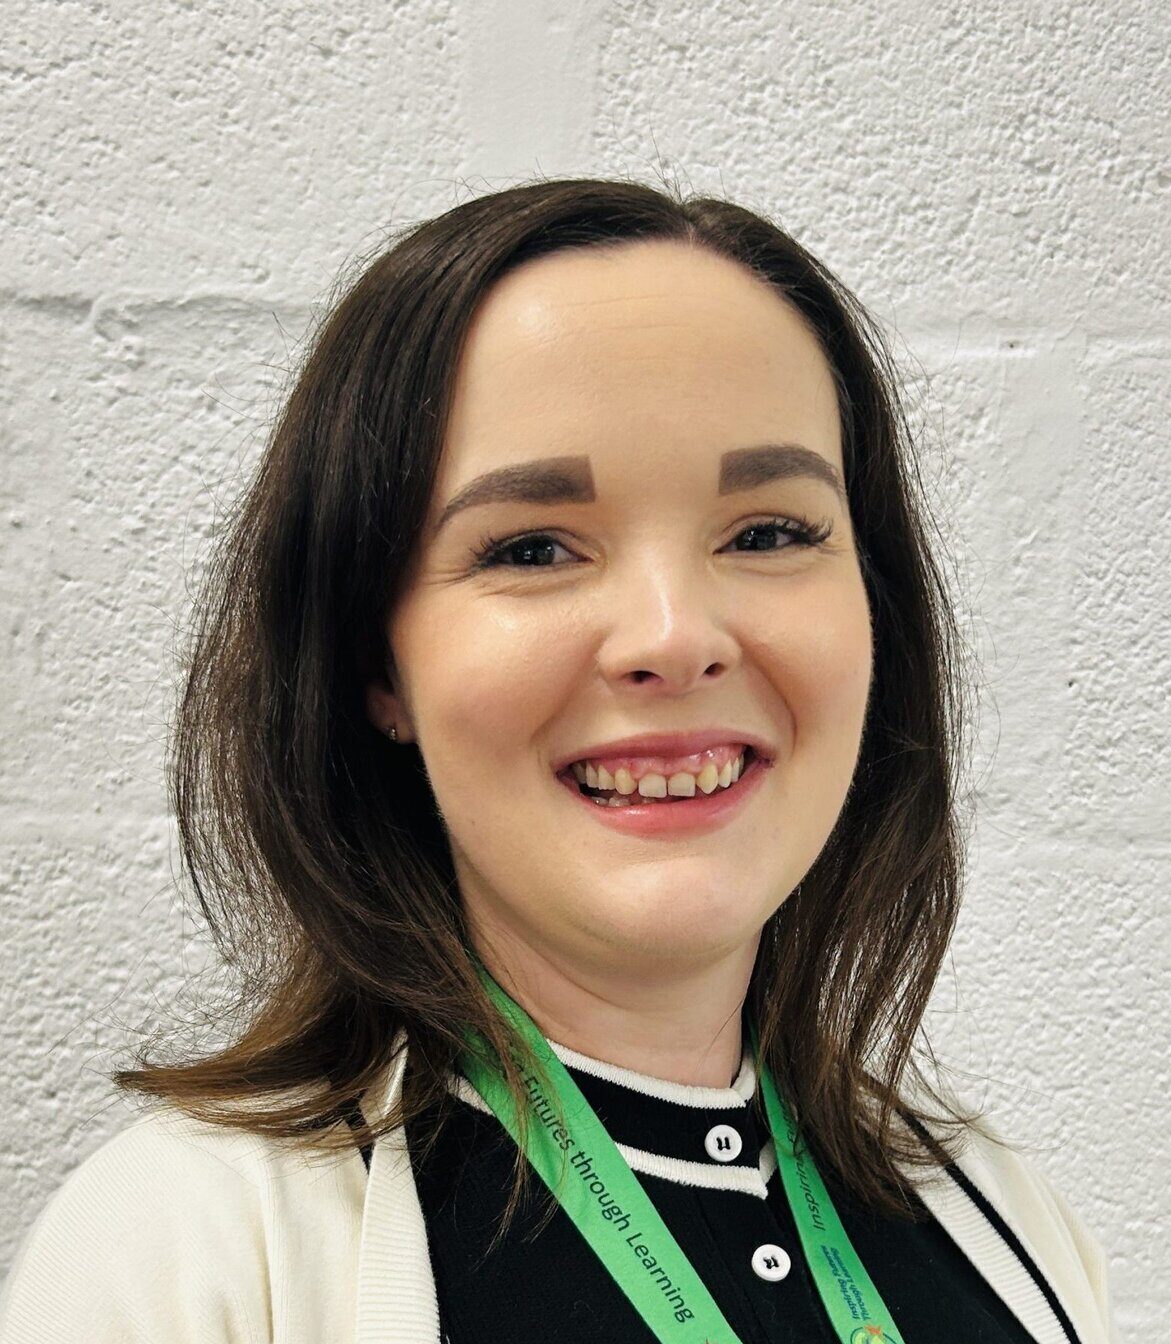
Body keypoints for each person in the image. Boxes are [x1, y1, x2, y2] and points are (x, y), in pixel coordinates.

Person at [0, 177, 1115, 1343]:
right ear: (377, 669)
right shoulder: (182, 1262)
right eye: (533, 548)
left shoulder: (1011, 1226)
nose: (675, 638)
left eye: (771, 532)